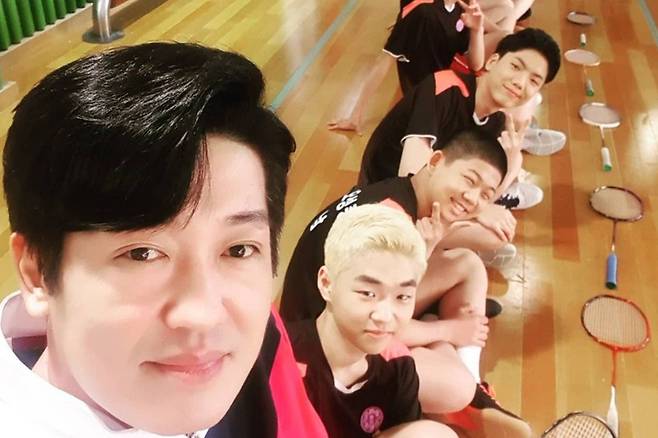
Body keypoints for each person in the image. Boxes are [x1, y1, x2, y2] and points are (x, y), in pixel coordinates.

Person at [0, 42, 326, 437]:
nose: (204, 313)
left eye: (238, 249)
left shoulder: (255, 341)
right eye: (142, 253)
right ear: (36, 273)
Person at [279, 130, 532, 436]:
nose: (472, 198)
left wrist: (433, 243)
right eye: (469, 180)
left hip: (344, 312)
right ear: (435, 161)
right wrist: (449, 330)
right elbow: (380, 316)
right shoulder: (392, 218)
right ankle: (465, 387)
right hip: (331, 339)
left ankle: (467, 377)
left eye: (486, 195)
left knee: (468, 264)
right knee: (457, 388)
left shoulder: (400, 193)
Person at [287, 204, 457, 437]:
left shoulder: (398, 366)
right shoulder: (282, 358)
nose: (384, 316)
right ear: (327, 284)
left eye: (402, 296)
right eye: (368, 293)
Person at [328, 0, 486, 134]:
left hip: (441, 86)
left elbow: (475, 64)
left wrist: (476, 30)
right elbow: (385, 61)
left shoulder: (462, 11)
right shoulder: (421, 10)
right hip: (422, 93)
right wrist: (355, 115)